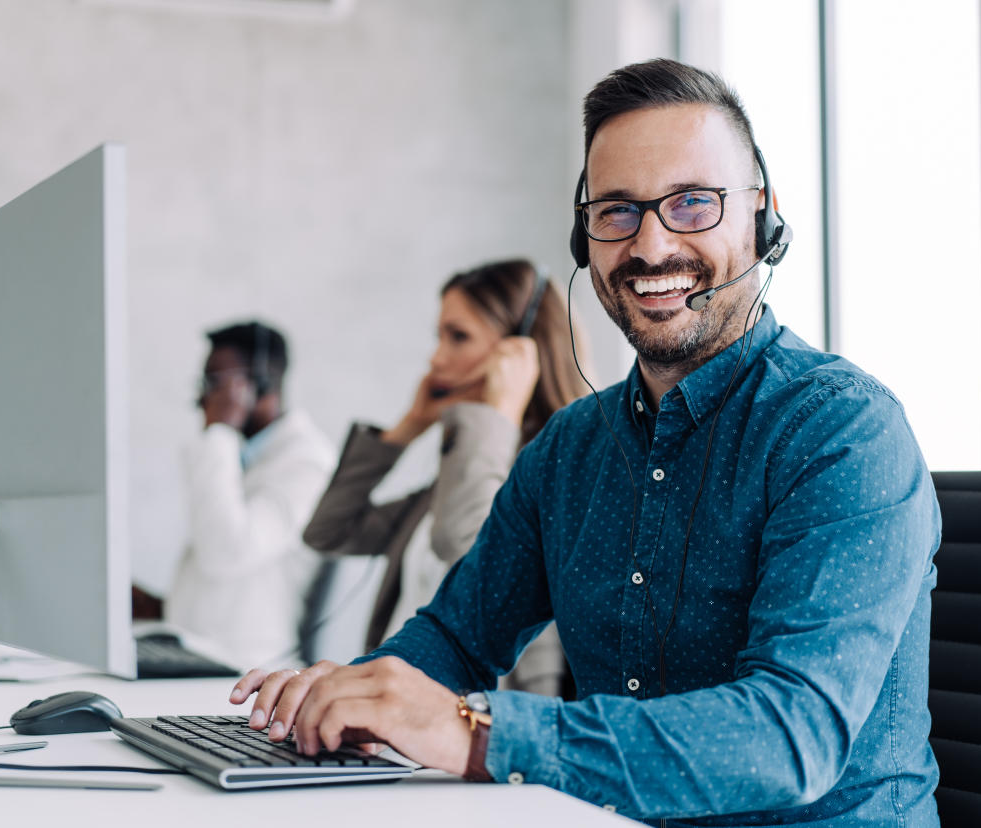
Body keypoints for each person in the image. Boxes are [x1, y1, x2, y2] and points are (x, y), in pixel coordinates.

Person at [231, 59, 941, 827]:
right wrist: (347, 698)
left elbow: (788, 738)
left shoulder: (842, 431)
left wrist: (475, 734)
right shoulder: (572, 448)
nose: (651, 245)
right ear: (585, 236)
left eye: (693, 203)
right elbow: (457, 635)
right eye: (617, 212)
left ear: (761, 216)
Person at [301, 259, 589, 696]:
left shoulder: (565, 474)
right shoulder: (457, 477)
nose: (436, 359)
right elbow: (329, 532)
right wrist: (407, 427)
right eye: (438, 338)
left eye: (458, 337)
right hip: (391, 727)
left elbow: (464, 543)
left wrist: (500, 411)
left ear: (520, 349)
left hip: (475, 738)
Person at [162, 321, 337, 666]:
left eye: (213, 383)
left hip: (247, 668)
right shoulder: (244, 456)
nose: (202, 398)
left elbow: (227, 551)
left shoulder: (308, 463)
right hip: (201, 655)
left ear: (259, 384)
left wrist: (219, 433)